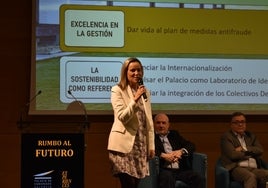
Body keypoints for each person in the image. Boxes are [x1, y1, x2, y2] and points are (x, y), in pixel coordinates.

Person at [107, 57, 155, 188]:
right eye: (132, 70)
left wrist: (151, 145)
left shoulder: (146, 92)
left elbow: (148, 121)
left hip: (140, 145)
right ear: (125, 72)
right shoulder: (117, 90)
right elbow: (122, 116)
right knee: (128, 185)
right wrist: (135, 99)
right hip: (123, 146)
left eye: (139, 70)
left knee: (135, 185)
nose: (136, 73)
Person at [154, 113, 203, 188]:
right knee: (167, 177)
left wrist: (180, 152)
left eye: (164, 123)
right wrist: (164, 156)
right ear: (154, 124)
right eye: (158, 123)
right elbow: (148, 150)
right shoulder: (152, 137)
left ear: (168, 125)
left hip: (179, 170)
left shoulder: (174, 135)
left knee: (197, 177)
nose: (161, 126)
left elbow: (191, 145)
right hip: (164, 170)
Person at [220, 111, 268, 188]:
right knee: (250, 177)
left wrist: (244, 148)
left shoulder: (251, 136)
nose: (240, 124)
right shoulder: (226, 137)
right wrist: (250, 154)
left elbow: (260, 150)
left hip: (254, 168)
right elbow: (233, 155)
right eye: (236, 122)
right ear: (231, 125)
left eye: (242, 122)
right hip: (237, 168)